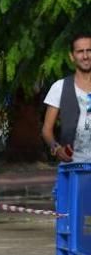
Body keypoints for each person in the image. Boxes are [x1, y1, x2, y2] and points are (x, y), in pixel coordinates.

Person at [41, 32, 91, 163]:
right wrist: (56, 149)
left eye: (89, 50)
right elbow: (46, 130)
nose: (85, 56)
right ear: (72, 56)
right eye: (80, 51)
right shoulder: (59, 87)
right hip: (72, 168)